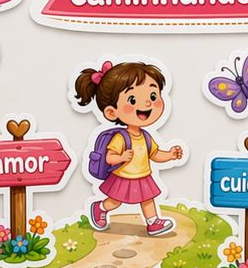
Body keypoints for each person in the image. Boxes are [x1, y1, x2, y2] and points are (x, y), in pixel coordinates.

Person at [73, 60, 184, 236]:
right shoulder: (121, 137)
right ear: (111, 112)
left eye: (153, 96)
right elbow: (109, 157)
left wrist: (170, 155)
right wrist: (121, 157)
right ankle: (100, 208)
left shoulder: (146, 136)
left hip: (143, 176)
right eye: (133, 100)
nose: (147, 103)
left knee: (148, 199)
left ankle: (153, 222)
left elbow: (155, 154)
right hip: (123, 176)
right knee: (115, 201)